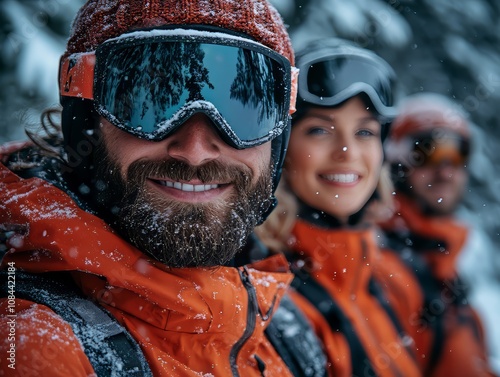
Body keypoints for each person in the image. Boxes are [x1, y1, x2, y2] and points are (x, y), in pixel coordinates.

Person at [0, 1, 330, 376]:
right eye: (150, 101)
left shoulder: (280, 325)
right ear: (86, 121)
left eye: (243, 105)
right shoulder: (32, 344)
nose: (195, 151)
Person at [256, 38, 422, 377]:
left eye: (364, 131)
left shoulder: (384, 280)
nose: (347, 151)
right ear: (281, 149)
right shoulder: (263, 298)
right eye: (319, 130)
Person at [377, 92, 496, 376]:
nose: (445, 171)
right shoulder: (380, 266)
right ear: (396, 162)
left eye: (457, 153)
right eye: (428, 151)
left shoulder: (444, 264)